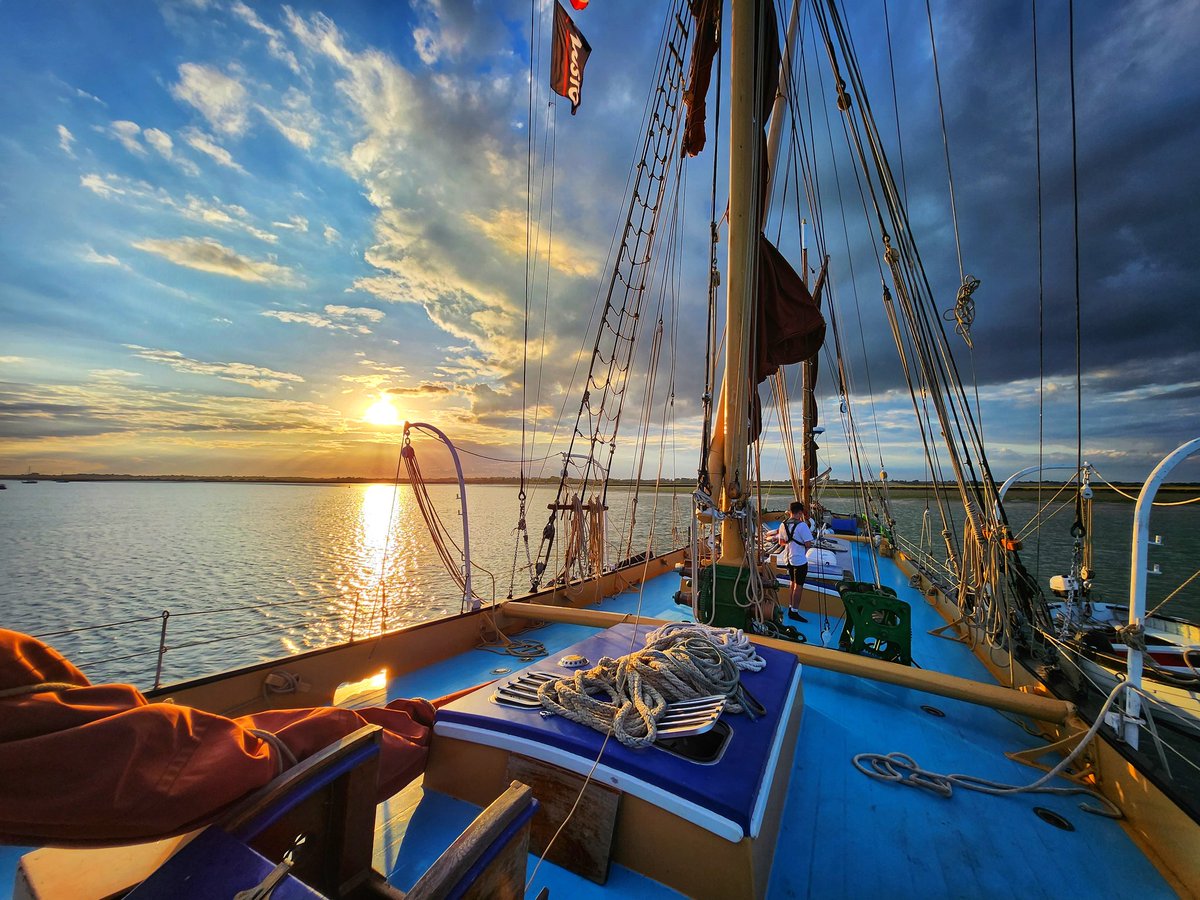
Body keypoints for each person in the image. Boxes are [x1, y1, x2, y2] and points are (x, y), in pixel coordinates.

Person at [776, 501, 814, 621]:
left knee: (792, 583)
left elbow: (781, 542)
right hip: (799, 559)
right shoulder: (802, 526)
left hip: (788, 558)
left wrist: (790, 541)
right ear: (800, 512)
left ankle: (791, 606)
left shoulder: (783, 524)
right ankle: (794, 611)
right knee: (799, 586)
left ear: (790, 511)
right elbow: (808, 543)